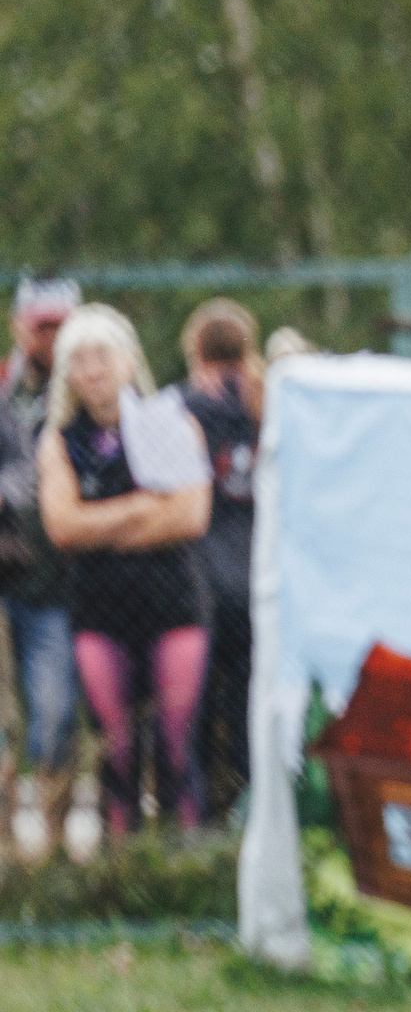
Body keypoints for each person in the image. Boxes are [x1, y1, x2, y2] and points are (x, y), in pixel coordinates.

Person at [36, 305, 214, 837]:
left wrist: (102, 526)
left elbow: (191, 515)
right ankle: (124, 871)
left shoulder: (173, 424)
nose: (92, 369)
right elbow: (63, 527)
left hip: (173, 601)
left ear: (128, 359)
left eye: (101, 355)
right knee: (117, 747)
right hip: (99, 608)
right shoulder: (60, 442)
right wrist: (141, 509)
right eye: (79, 359)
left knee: (176, 741)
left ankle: (185, 868)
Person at [2, 278, 81, 856]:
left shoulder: (87, 395)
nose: (48, 337)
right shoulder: (4, 390)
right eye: (40, 324)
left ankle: (51, 854)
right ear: (19, 325)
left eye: (58, 325)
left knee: (53, 714)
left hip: (53, 585)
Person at [180, 299, 263, 821]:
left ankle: (204, 819)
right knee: (252, 707)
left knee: (199, 708)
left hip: (200, 580)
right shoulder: (270, 406)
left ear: (195, 351)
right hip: (261, 580)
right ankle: (256, 810)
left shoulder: (179, 408)